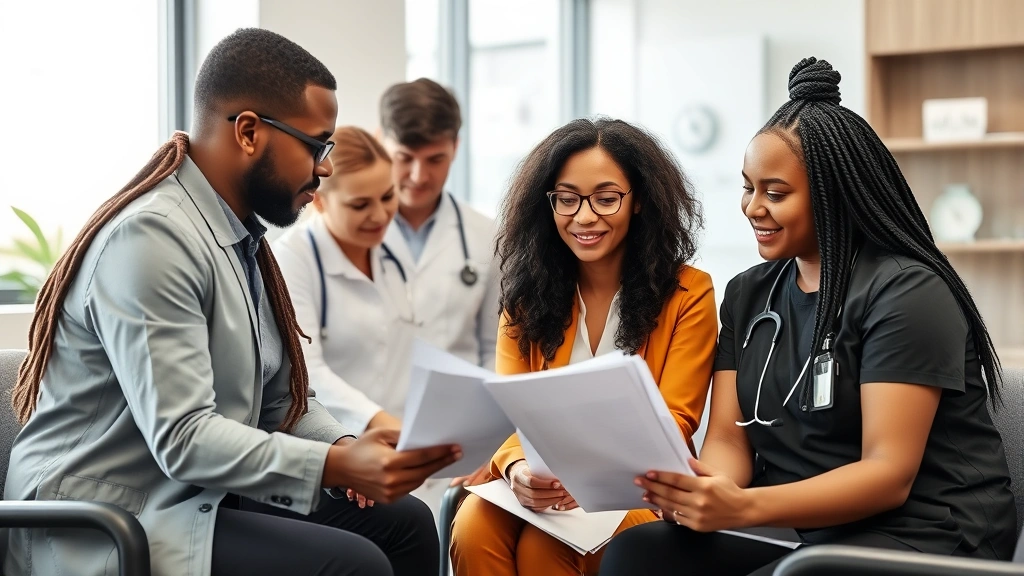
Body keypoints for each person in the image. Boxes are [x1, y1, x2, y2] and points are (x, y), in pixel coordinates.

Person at [4, 28, 462, 576]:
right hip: (112, 517)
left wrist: (346, 442)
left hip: (194, 493)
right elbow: (184, 438)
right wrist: (336, 466)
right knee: (352, 564)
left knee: (405, 524)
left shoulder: (237, 238)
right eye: (317, 145)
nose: (326, 168)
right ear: (249, 132)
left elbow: (278, 398)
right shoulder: (152, 239)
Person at [599, 57, 1017, 576]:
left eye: (775, 193)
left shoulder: (908, 292)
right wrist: (710, 492)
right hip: (802, 531)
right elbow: (730, 439)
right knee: (639, 555)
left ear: (833, 196)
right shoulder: (748, 296)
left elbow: (888, 475)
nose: (753, 207)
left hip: (927, 533)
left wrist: (744, 507)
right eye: (748, 187)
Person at [449, 117, 719, 575]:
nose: (584, 217)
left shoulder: (689, 293)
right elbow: (509, 411)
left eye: (606, 199)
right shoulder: (524, 299)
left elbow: (676, 420)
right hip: (541, 484)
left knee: (543, 547)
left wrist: (587, 472)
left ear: (639, 202)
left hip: (635, 490)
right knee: (473, 524)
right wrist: (516, 469)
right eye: (567, 200)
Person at [275, 126, 413, 435]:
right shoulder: (291, 258)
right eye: (360, 205)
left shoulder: (394, 246)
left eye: (388, 196)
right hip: (335, 441)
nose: (380, 216)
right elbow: (307, 372)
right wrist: (382, 423)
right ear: (319, 201)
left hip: (404, 437)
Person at [378, 78, 499, 373]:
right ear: (380, 141)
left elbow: (495, 347)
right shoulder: (343, 236)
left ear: (456, 147)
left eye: (435, 160)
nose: (419, 176)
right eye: (405, 158)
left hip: (461, 414)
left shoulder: (490, 236)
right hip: (366, 417)